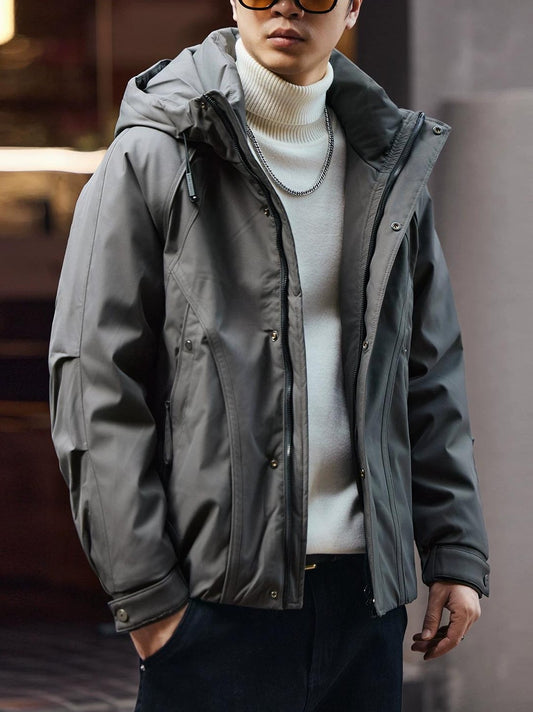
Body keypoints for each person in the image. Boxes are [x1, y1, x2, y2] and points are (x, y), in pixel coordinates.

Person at [49, 1, 490, 710]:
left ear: (352, 7)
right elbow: (94, 380)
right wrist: (150, 599)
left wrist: (454, 549)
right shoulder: (156, 153)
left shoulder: (387, 164)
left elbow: (426, 371)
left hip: (364, 602)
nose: (285, 4)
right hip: (212, 605)